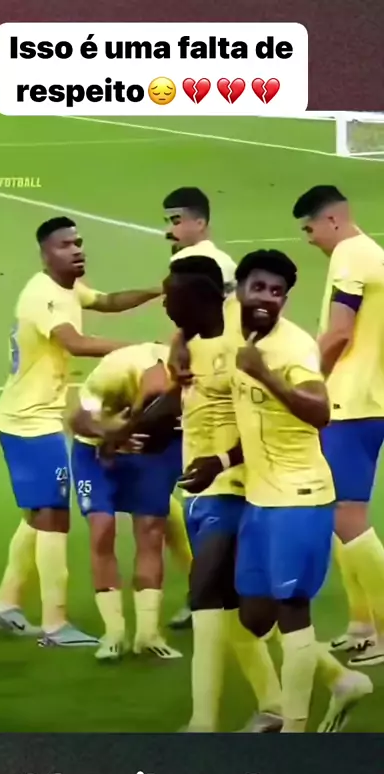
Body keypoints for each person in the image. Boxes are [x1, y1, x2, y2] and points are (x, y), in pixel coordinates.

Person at [0, 216, 161, 647]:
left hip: (34, 416)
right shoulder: (43, 295)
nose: (77, 249)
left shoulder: (68, 288)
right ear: (45, 254)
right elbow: (76, 343)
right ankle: (55, 625)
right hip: (30, 421)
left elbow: (109, 300)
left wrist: (158, 289)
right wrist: (138, 349)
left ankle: (5, 607)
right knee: (54, 518)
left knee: (39, 515)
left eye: (78, 242)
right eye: (65, 245)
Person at [219, 249, 372, 732]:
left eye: (277, 292)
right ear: (240, 290)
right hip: (259, 499)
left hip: (301, 499)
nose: (268, 298)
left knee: (292, 612)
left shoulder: (295, 348)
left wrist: (264, 373)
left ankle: (294, 729)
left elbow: (319, 410)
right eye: (259, 288)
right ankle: (343, 683)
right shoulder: (234, 333)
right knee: (252, 615)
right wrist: (219, 462)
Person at [163, 255, 283, 732]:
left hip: (233, 490)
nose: (165, 308)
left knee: (206, 600)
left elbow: (265, 424)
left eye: (172, 299)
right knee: (232, 614)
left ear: (199, 299)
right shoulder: (193, 340)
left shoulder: (242, 344)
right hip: (201, 491)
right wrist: (124, 432)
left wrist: (221, 461)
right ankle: (288, 699)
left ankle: (203, 724)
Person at [293, 186, 384, 665]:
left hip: (348, 404)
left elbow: (340, 332)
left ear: (331, 220)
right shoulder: (374, 254)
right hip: (369, 401)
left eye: (309, 228)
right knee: (341, 513)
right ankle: (361, 624)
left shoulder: (349, 256)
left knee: (348, 517)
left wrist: (308, 382)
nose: (309, 239)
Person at [69, 342, 183, 661]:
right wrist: (113, 435)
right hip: (95, 447)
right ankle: (114, 632)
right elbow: (77, 420)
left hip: (154, 450)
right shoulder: (114, 371)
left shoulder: (197, 377)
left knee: (151, 531)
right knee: (102, 528)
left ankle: (148, 634)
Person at [162, 186, 237, 630]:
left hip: (209, 383)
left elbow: (197, 319)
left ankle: (207, 594)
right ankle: (214, 591)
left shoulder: (194, 262)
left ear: (200, 221)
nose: (169, 230)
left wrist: (178, 348)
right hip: (212, 375)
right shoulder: (223, 261)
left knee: (205, 489)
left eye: (176, 220)